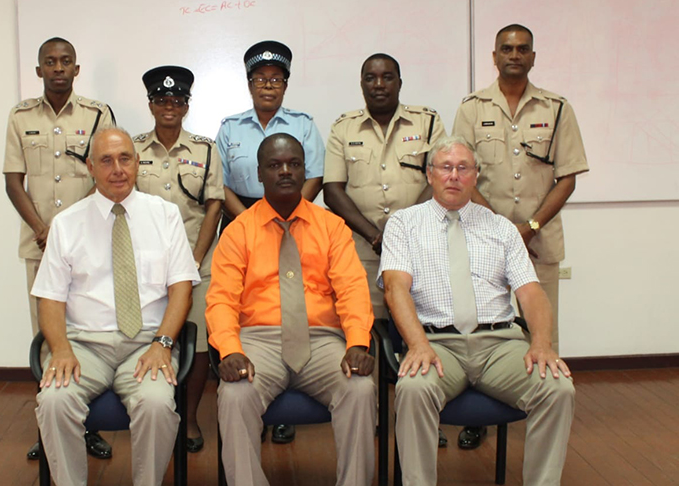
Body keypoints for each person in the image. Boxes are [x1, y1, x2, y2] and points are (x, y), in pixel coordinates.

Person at [379, 136, 575, 486]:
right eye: (445, 167)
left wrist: (542, 344)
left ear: (475, 176)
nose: (453, 176)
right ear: (429, 174)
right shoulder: (403, 224)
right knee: (413, 389)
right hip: (437, 346)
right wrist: (418, 345)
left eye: (463, 168)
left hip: (499, 344)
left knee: (557, 388)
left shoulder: (501, 228)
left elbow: (531, 294)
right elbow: (396, 290)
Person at [32, 128, 200, 486]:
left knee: (156, 406)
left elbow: (181, 289)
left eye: (125, 158)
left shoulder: (165, 216)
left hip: (146, 345)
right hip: (83, 345)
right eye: (106, 161)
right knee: (54, 403)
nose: (117, 169)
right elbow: (49, 297)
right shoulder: (66, 224)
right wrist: (60, 349)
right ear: (91, 167)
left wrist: (163, 344)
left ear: (138, 163)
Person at [207, 133, 376, 486]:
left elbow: (352, 288)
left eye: (293, 164)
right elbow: (222, 299)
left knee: (359, 389)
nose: (285, 171)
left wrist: (358, 342)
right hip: (258, 342)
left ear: (304, 171)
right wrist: (230, 349)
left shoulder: (332, 227)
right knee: (235, 394)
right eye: (275, 165)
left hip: (322, 341)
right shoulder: (238, 232)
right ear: (259, 174)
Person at [451, 24, 588, 449]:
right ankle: (479, 419)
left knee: (542, 332)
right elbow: (461, 172)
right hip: (480, 239)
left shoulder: (558, 108)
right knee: (482, 332)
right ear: (494, 56)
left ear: (532, 56)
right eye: (506, 49)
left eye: (522, 49)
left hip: (539, 239)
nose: (514, 54)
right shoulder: (472, 108)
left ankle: (542, 419)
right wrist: (499, 228)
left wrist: (529, 227)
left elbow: (567, 177)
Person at [2, 36, 116, 460]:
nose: (58, 68)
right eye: (49, 62)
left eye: (65, 61)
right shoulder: (19, 117)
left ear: (76, 68)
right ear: (38, 71)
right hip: (40, 244)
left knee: (88, 331)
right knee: (47, 337)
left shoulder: (97, 114)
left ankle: (89, 428)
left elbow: (108, 174)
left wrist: (69, 229)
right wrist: (41, 228)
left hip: (90, 243)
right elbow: (14, 181)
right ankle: (49, 429)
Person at [215, 39, 325, 444]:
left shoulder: (303, 124)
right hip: (242, 218)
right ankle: (255, 398)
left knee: (291, 297)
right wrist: (251, 219)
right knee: (249, 301)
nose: (268, 86)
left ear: (285, 84)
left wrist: (289, 214)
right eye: (260, 79)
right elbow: (220, 181)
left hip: (296, 217)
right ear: (249, 83)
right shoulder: (230, 128)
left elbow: (312, 175)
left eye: (276, 79)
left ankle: (285, 405)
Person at [134, 65, 224, 453]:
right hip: (144, 265)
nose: (169, 106)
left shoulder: (204, 149)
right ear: (151, 105)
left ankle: (187, 418)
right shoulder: (133, 149)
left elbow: (214, 205)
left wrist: (197, 258)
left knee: (199, 342)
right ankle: (155, 410)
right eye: (161, 100)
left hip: (197, 261)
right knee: (150, 337)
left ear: (186, 106)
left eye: (177, 101)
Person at [323, 53, 447, 321]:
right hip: (362, 250)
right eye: (371, 78)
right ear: (361, 84)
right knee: (366, 325)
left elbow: (442, 177)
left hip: (420, 245)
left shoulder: (428, 122)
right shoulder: (343, 128)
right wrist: (374, 236)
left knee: (421, 324)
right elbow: (332, 191)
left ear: (400, 83)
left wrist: (405, 229)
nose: (379, 84)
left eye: (387, 77)